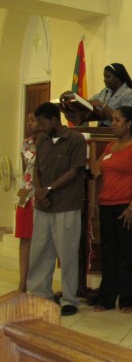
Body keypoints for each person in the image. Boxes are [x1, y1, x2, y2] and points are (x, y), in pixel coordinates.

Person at [27, 102, 86, 316]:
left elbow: (75, 170)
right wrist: (40, 191)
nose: (40, 127)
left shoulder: (75, 140)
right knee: (40, 252)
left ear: (55, 120)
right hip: (43, 205)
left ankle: (69, 298)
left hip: (66, 205)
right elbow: (36, 169)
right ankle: (39, 293)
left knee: (67, 253)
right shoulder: (42, 140)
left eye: (43, 123)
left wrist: (49, 189)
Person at [94, 106, 132, 313]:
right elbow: (97, 168)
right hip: (106, 205)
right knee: (109, 253)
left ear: (129, 124)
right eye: (113, 120)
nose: (113, 123)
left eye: (117, 120)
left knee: (127, 253)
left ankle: (128, 299)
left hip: (127, 206)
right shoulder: (110, 146)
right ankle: (106, 298)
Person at [15, 112, 43, 292]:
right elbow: (26, 167)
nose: (29, 123)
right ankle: (23, 281)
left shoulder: (50, 142)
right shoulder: (26, 143)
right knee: (25, 238)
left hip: (42, 194)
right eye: (28, 120)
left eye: (33, 120)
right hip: (26, 194)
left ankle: (38, 281)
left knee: (42, 240)